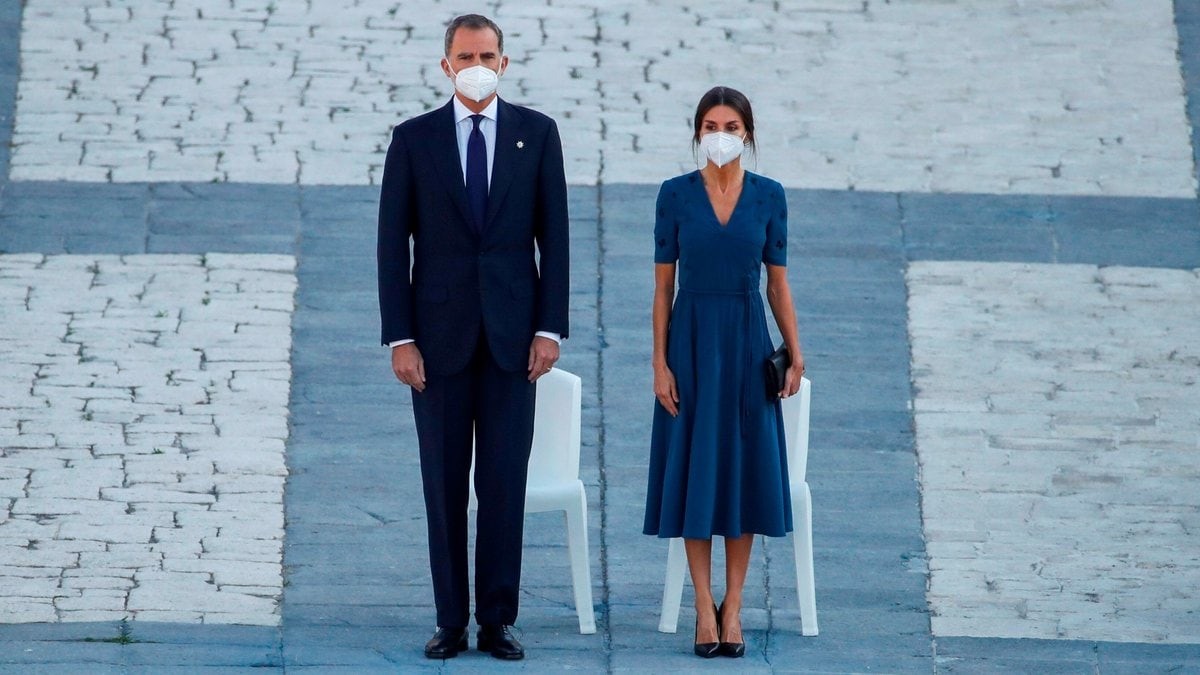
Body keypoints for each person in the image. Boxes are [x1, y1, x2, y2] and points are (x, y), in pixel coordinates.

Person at [377, 13, 569, 661]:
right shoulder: (414, 139)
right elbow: (390, 246)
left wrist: (549, 327)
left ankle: (497, 620)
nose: (477, 63)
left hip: (515, 342)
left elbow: (557, 239)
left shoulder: (537, 135)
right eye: (465, 55)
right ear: (446, 66)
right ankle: (450, 619)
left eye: (487, 53)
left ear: (505, 62)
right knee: (443, 482)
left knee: (504, 483)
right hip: (437, 342)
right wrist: (400, 337)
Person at [643, 86, 806, 658]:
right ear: (696, 133)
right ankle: (701, 607)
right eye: (710, 124)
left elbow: (777, 282)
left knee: (741, 471)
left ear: (748, 134)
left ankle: (733, 606)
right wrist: (660, 362)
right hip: (690, 341)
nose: (720, 133)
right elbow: (664, 286)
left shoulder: (769, 197)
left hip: (744, 340)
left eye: (731, 125)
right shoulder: (674, 196)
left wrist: (795, 348)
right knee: (695, 469)